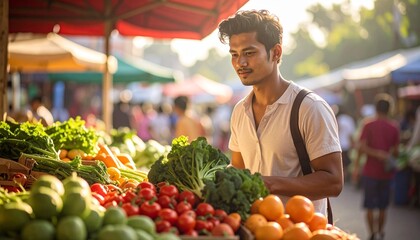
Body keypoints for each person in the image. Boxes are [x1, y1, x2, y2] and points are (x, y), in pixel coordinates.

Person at [218, 9, 343, 217]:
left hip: (300, 231)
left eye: (249, 53)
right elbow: (238, 171)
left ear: (276, 53)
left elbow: (333, 181)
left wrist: (269, 184)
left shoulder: (309, 107)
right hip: (253, 228)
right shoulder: (240, 111)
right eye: (234, 54)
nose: (240, 63)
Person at [353, 93, 400, 240]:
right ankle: (380, 233)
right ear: (390, 109)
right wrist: (384, 154)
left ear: (375, 108)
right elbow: (396, 152)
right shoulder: (394, 127)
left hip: (369, 172)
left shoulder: (368, 124)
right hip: (386, 173)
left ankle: (372, 234)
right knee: (383, 207)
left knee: (369, 206)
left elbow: (361, 148)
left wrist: (356, 168)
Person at [336, 105, 356, 182]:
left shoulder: (338, 119)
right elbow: (350, 134)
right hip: (347, 145)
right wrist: (352, 143)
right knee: (346, 163)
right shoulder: (349, 120)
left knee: (341, 163)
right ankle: (345, 178)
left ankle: (341, 177)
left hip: (338, 144)